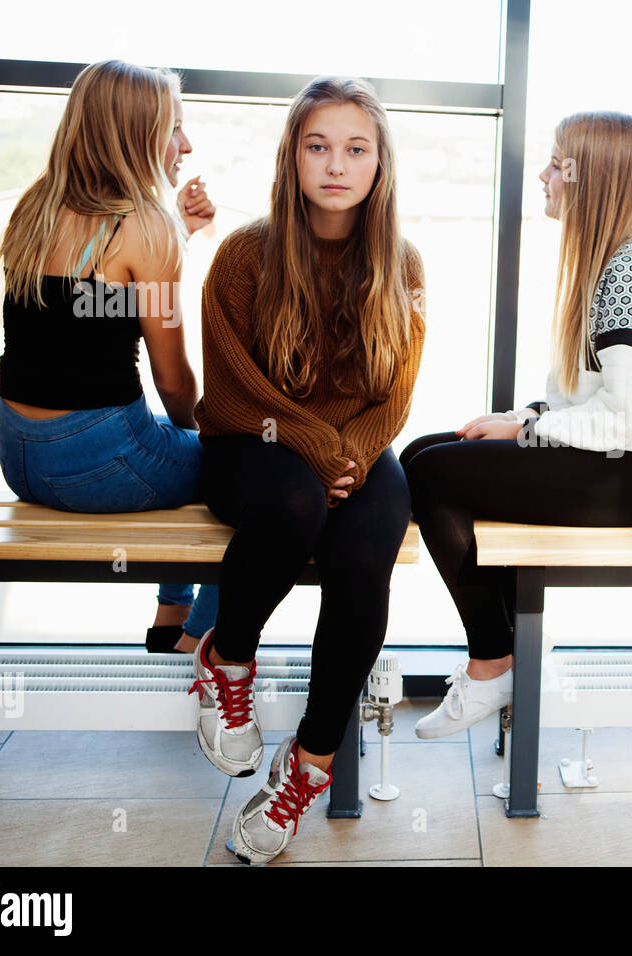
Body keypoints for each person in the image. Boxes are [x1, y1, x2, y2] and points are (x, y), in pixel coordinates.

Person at [401, 111, 632, 739]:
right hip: (622, 462)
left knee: (435, 474)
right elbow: (587, 400)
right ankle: (502, 657)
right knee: (424, 453)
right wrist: (522, 419)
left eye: (556, 164)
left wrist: (526, 432)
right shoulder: (610, 267)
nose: (544, 176)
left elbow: (623, 422)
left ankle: (492, 663)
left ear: (589, 178)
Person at [190, 76, 425, 865]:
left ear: (379, 162)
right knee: (294, 503)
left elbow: (395, 392)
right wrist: (313, 449)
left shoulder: (403, 262)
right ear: (292, 156)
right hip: (250, 445)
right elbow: (226, 388)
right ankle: (227, 658)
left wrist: (349, 457)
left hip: (358, 446)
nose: (335, 164)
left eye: (355, 148)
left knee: (367, 552)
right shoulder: (244, 254)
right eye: (317, 145)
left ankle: (310, 766)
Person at [0, 59, 219, 655]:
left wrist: (178, 233)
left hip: (18, 457)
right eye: (174, 127)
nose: (185, 144)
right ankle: (199, 637)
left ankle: (173, 609)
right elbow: (174, 384)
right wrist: (202, 440)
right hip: (97, 463)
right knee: (250, 474)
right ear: (135, 134)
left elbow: (90, 295)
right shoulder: (148, 228)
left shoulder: (34, 206)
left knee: (182, 445)